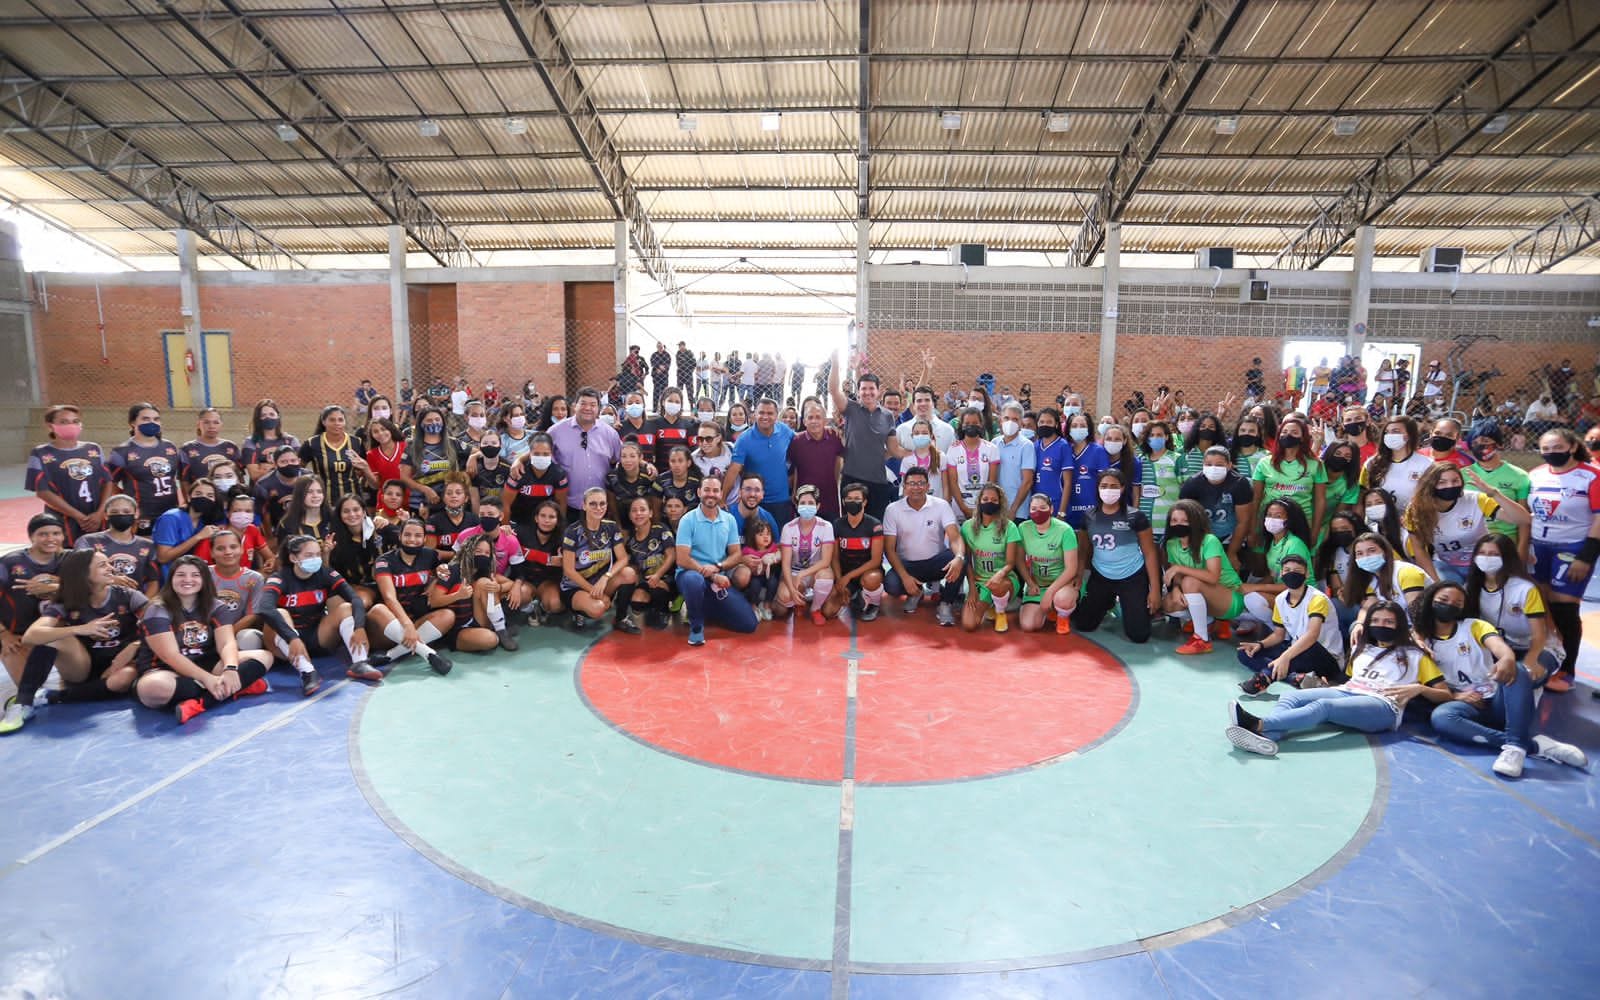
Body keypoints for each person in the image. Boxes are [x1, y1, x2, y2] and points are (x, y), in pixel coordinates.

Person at [1226, 599, 1445, 758]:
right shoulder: (1363, 649)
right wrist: (1327, 684)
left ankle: (1258, 724)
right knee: (1289, 698)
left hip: (1384, 706)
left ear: (1399, 626)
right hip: (1350, 691)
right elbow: (1349, 681)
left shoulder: (1416, 655)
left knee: (1324, 707)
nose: (1381, 625)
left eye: (1388, 622)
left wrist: (1420, 689)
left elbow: (1446, 695)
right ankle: (1269, 737)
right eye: (1376, 621)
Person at [1417, 580, 1586, 778]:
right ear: (1430, 601)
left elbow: (1498, 646)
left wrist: (1506, 658)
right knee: (1441, 718)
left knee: (1519, 670)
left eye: (1457, 603)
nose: (1450, 605)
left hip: (1498, 697)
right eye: (1444, 599)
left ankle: (1515, 747)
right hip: (1468, 704)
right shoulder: (1420, 642)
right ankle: (1531, 745)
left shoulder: (1474, 626)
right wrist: (1456, 695)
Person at [133, 555, 274, 724]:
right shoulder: (157, 609)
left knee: (265, 657)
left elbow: (227, 643)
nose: (188, 580)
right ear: (171, 579)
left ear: (204, 579)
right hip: (166, 669)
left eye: (195, 575)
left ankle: (200, 703)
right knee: (152, 689)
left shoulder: (215, 605)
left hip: (206, 662)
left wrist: (230, 669)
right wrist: (207, 680)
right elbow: (170, 656)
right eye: (181, 575)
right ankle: (237, 688)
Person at [21, 549, 146, 713]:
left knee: (124, 679)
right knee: (51, 637)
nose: (112, 569)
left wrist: (135, 645)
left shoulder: (128, 596)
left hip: (120, 663)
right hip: (81, 667)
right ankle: (22, 702)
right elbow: (30, 636)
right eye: (103, 565)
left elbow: (161, 626)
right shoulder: (69, 601)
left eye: (109, 563)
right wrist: (81, 629)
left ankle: (54, 696)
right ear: (84, 574)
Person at [1526, 428, 1600, 693]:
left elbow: (1599, 518)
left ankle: (1568, 669)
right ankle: (1548, 657)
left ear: (1571, 446)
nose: (1551, 453)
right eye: (1546, 449)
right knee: (1541, 605)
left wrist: (1586, 556)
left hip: (1572, 548)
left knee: (1565, 608)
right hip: (1539, 547)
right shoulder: (1535, 475)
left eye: (1557, 447)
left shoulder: (1591, 476)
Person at [256, 533, 373, 695]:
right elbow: (265, 608)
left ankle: (360, 662)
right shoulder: (280, 578)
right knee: (280, 613)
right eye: (309, 555)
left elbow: (355, 598)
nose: (316, 559)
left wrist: (359, 627)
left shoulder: (325, 573)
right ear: (293, 558)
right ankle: (308, 673)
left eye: (318, 554)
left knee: (346, 607)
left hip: (317, 636)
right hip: (285, 640)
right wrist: (292, 637)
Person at [1070, 470, 1160, 643]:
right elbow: (1083, 551)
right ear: (1097, 488)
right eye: (1104, 486)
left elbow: (1149, 553)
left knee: (1139, 635)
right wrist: (1079, 575)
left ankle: (1129, 603)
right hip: (1101, 575)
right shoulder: (1089, 516)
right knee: (1084, 624)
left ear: (1122, 488)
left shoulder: (1136, 516)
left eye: (1113, 486)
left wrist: (1155, 589)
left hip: (1132, 575)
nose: (1108, 490)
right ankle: (1108, 601)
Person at [1403, 462, 1528, 584]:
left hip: (1481, 562)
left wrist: (1495, 494)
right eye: (1442, 482)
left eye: (1455, 481)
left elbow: (1523, 519)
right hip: (1445, 565)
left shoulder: (1476, 499)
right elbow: (1419, 549)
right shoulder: (1416, 509)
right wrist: (1436, 584)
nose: (1450, 486)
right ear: (1430, 485)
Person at [1236, 554, 1344, 694]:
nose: (1291, 574)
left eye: (1297, 571)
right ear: (1281, 573)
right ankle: (1297, 678)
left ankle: (1264, 678)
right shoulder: (1281, 599)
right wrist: (1260, 644)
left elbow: (1312, 635)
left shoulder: (1317, 599)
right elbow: (1278, 635)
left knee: (1305, 647)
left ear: (1307, 574)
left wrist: (1285, 657)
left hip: (1325, 656)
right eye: (1287, 570)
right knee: (1246, 654)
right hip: (1297, 650)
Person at [367, 518, 466, 667]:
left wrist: (436, 578)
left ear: (425, 538)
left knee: (448, 615)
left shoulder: (430, 555)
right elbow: (389, 598)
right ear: (400, 536)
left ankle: (391, 655)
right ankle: (428, 653)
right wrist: (407, 626)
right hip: (388, 626)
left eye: (418, 536)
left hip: (416, 622)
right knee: (377, 610)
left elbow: (444, 568)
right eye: (407, 535)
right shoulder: (384, 561)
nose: (412, 540)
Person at [0, 514, 66, 732]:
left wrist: (55, 587)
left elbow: (90, 590)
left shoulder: (69, 561)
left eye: (56, 533)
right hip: (17, 636)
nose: (50, 538)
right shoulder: (10, 563)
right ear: (31, 537)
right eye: (43, 534)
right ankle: (20, 701)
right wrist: (3, 634)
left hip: (57, 635)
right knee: (30, 688)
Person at [675, 477, 758, 644]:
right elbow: (682, 559)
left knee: (749, 624)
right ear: (699, 492)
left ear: (721, 494)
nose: (710, 494)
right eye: (706, 490)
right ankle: (696, 626)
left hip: (717, 577)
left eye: (715, 491)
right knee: (694, 581)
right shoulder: (687, 520)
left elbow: (736, 555)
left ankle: (702, 606)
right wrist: (712, 575)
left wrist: (718, 567)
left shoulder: (729, 520)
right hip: (691, 574)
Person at [1465, 533, 1558, 683]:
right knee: (1486, 676)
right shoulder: (1471, 587)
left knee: (1522, 676)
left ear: (1507, 558)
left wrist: (1531, 660)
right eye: (1482, 553)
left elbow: (1539, 635)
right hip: (1501, 648)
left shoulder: (1525, 589)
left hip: (1536, 647)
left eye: (1494, 554)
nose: (1487, 558)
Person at [880, 467, 965, 626]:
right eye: (911, 483)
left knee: (961, 560)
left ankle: (946, 603)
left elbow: (954, 537)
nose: (916, 487)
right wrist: (905, 577)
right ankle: (916, 592)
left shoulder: (941, 505)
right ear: (904, 487)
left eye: (921, 483)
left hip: (936, 562)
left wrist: (959, 556)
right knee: (891, 585)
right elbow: (889, 549)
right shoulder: (893, 510)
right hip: (908, 565)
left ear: (927, 486)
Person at [1163, 500, 1244, 655]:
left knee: (1190, 581)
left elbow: (1213, 577)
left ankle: (1202, 640)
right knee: (1169, 604)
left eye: (1185, 520)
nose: (1178, 524)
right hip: (1202, 593)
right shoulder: (1172, 544)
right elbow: (1177, 575)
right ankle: (1209, 622)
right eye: (1174, 520)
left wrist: (1179, 568)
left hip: (1229, 596)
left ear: (1195, 521)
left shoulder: (1209, 540)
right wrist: (1176, 589)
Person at [828, 360, 904, 519]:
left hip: (878, 481)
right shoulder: (851, 409)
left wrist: (920, 451)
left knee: (876, 525)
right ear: (859, 390)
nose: (867, 392)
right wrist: (835, 361)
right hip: (852, 478)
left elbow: (894, 449)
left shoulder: (887, 416)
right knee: (850, 525)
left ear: (879, 391)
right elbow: (833, 390)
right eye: (863, 389)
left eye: (871, 389)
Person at [28, 404, 113, 544]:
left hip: (97, 519)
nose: (71, 425)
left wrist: (100, 513)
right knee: (68, 559)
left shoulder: (93, 449)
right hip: (63, 520)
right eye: (64, 422)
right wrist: (79, 516)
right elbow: (42, 491)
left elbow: (108, 482)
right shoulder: (40, 453)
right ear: (50, 426)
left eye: (75, 421)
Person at [559, 487, 640, 634]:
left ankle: (621, 618)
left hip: (600, 582)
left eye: (602, 503)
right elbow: (568, 570)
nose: (598, 508)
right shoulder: (572, 532)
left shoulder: (610, 527)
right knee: (597, 609)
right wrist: (592, 590)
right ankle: (578, 612)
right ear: (584, 505)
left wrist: (605, 577)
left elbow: (623, 559)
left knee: (629, 573)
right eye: (593, 504)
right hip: (575, 587)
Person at [106, 402, 185, 533]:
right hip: (143, 515)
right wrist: (127, 501)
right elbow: (110, 484)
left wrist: (181, 503)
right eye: (145, 419)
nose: (152, 422)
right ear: (132, 422)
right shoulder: (121, 451)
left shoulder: (169, 447)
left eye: (156, 419)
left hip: (170, 512)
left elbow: (174, 480)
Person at [548, 387, 623, 525]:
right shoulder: (555, 432)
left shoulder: (610, 434)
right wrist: (519, 461)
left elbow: (623, 459)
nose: (588, 408)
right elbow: (539, 453)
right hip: (568, 505)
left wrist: (646, 465)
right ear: (574, 406)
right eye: (583, 403)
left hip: (599, 507)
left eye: (593, 405)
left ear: (599, 408)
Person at [1251, 417, 1326, 542]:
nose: (1288, 435)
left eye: (1294, 432)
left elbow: (1320, 501)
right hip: (1269, 521)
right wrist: (1253, 528)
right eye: (1284, 432)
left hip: (1301, 522)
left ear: (1302, 438)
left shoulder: (1315, 464)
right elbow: (1256, 498)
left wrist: (1315, 531)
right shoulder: (1265, 463)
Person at [723, 397, 797, 525]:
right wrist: (722, 498)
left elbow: (801, 439)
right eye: (761, 413)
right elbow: (734, 469)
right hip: (754, 501)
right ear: (754, 415)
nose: (765, 417)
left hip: (781, 501)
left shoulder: (784, 431)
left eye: (770, 413)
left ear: (776, 415)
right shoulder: (744, 439)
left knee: (779, 542)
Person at [1179, 446, 1253, 569]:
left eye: (1219, 465)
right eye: (1208, 464)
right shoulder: (1192, 484)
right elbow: (1185, 518)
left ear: (1229, 465)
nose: (1213, 468)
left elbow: (1243, 521)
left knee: (1233, 572)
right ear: (1203, 465)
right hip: (1202, 538)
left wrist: (1232, 553)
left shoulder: (1240, 484)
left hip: (1231, 538)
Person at [960, 483, 1021, 633]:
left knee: (996, 586)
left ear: (1000, 503)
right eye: (985, 499)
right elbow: (967, 561)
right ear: (979, 501)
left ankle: (1000, 612)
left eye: (994, 500)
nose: (989, 502)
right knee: (969, 624)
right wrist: (972, 588)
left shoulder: (1009, 527)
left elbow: (1011, 563)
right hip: (980, 580)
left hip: (1004, 580)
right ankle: (990, 605)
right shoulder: (967, 527)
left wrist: (999, 575)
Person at [1015, 494, 1078, 634]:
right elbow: (1019, 560)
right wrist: (1030, 583)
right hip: (1038, 584)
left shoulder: (1065, 530)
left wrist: (1050, 593)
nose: (1038, 512)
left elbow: (1071, 569)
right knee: (1028, 626)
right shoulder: (1023, 528)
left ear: (1051, 509)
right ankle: (1048, 610)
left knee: (1063, 599)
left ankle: (1062, 616)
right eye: (1034, 508)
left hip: (1062, 584)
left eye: (1043, 508)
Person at [75, 494, 160, 598]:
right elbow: (79, 573)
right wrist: (110, 580)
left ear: (136, 513)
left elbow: (153, 582)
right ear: (106, 515)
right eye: (114, 512)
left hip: (135, 603)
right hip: (96, 602)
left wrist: (143, 605)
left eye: (126, 512)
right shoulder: (88, 541)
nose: (121, 515)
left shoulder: (148, 546)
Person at [822, 482, 885, 621]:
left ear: (865, 502)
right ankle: (856, 596)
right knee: (828, 611)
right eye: (849, 499)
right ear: (843, 501)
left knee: (871, 579)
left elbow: (875, 560)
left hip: (867, 572)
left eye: (857, 498)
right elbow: (834, 558)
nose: (853, 502)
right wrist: (839, 581)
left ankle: (873, 603)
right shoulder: (837, 524)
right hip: (844, 574)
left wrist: (848, 577)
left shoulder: (875, 525)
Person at [779, 485, 836, 625]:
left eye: (811, 503)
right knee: (785, 597)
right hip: (794, 572)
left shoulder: (826, 526)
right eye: (803, 503)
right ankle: (799, 601)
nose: (806, 506)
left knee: (826, 577)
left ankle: (815, 608)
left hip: (815, 571)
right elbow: (785, 563)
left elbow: (826, 562)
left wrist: (802, 574)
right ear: (797, 505)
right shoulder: (788, 528)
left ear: (818, 506)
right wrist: (792, 590)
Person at [151, 477, 226, 580]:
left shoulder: (204, 522)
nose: (204, 498)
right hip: (167, 578)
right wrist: (198, 537)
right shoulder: (171, 518)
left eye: (210, 496)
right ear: (189, 497)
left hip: (192, 577)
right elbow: (163, 557)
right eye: (198, 494)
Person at [1466, 426, 1529, 547]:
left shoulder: (1520, 476)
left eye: (1485, 441)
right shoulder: (1462, 475)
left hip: (1506, 541)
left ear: (1499, 444)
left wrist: (1522, 551)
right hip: (1471, 543)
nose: (1480, 446)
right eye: (1475, 443)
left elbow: (1524, 522)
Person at [621, 497, 676, 630]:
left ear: (650, 513)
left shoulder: (660, 529)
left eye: (642, 509)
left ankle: (664, 610)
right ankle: (653, 607)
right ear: (629, 515)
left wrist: (658, 575)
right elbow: (635, 566)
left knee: (657, 588)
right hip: (648, 580)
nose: (638, 513)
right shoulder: (631, 541)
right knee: (636, 602)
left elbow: (672, 555)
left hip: (669, 578)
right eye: (634, 511)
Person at [299, 405, 370, 506]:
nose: (337, 423)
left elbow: (363, 470)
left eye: (340, 420)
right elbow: (298, 468)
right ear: (323, 422)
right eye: (332, 420)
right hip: (324, 501)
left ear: (345, 422)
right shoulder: (312, 443)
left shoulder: (356, 442)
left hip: (353, 500)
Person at [1361, 416, 1432, 515]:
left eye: (1396, 431)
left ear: (1409, 435)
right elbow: (1362, 494)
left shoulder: (1427, 464)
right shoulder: (1371, 463)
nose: (1390, 435)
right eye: (1387, 432)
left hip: (1413, 521)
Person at [511, 499, 565, 624]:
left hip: (548, 581)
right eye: (543, 516)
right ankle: (530, 608)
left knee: (555, 605)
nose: (546, 520)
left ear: (557, 521)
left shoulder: (563, 538)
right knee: (520, 596)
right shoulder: (521, 532)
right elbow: (505, 543)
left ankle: (541, 607)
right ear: (536, 518)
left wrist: (564, 561)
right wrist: (548, 559)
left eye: (551, 517)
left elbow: (571, 563)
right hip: (525, 579)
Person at [789, 404, 845, 519]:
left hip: (829, 499)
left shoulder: (834, 437)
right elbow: (795, 469)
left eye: (818, 417)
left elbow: (838, 465)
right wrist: (794, 492)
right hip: (805, 501)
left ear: (825, 420)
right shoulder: (796, 441)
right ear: (804, 421)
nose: (814, 421)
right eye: (810, 417)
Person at [945, 407, 1001, 522]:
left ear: (981, 424)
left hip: (985, 506)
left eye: (975, 423)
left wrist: (982, 506)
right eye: (967, 423)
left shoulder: (991, 449)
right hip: (959, 508)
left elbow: (992, 482)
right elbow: (953, 482)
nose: (971, 426)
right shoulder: (953, 449)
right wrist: (964, 508)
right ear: (962, 425)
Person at [503, 435, 569, 530]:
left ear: (551, 454)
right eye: (536, 454)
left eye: (545, 454)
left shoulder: (558, 474)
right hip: (519, 521)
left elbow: (561, 503)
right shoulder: (519, 472)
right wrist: (505, 528)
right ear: (529, 454)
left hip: (545, 523)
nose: (541, 457)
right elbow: (506, 503)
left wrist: (559, 528)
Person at [326, 494, 381, 608]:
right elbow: (328, 573)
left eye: (356, 510)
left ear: (364, 511)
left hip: (385, 583)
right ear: (340, 515)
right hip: (356, 587)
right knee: (361, 602)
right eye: (346, 511)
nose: (352, 514)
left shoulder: (378, 529)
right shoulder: (334, 539)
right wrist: (326, 553)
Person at [991, 403, 1037, 522]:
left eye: (1015, 419)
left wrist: (1013, 509)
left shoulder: (1026, 446)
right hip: (996, 508)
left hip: (1018, 511)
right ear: (1001, 419)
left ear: (1021, 423)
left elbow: (1027, 481)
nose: (1010, 422)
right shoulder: (994, 443)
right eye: (1006, 418)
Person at [180, 408, 243, 486]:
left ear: (221, 425)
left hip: (228, 496)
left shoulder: (231, 447)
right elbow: (184, 480)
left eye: (216, 422)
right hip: (202, 495)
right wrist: (190, 498)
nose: (211, 426)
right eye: (206, 422)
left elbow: (240, 477)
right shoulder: (187, 448)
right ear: (198, 424)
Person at [242, 398, 300, 483]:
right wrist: (284, 466)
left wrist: (268, 468)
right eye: (263, 415)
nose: (268, 418)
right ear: (258, 419)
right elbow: (254, 475)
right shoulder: (250, 442)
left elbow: (297, 471)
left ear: (278, 416)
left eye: (272, 414)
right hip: (261, 489)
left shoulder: (292, 441)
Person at [253, 445, 303, 537]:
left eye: (293, 461)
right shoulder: (263, 485)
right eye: (284, 462)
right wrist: (269, 537)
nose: (290, 464)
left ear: (299, 461)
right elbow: (261, 514)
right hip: (276, 528)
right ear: (275, 464)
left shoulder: (309, 478)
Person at [740, 517, 781, 620]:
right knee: (755, 584)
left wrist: (774, 558)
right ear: (753, 537)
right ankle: (753, 606)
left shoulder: (772, 548)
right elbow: (741, 560)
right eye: (761, 535)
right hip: (754, 577)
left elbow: (779, 553)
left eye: (768, 534)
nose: (765, 537)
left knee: (773, 582)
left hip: (768, 575)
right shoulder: (748, 551)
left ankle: (767, 605)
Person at [646, 387, 697, 470]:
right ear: (663, 402)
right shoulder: (653, 425)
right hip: (661, 473)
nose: (674, 404)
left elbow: (694, 452)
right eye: (670, 401)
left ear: (681, 405)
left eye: (677, 402)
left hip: (682, 473)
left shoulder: (688, 425)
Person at [898, 417, 945, 499]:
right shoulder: (907, 459)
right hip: (914, 506)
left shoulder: (940, 456)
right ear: (912, 436)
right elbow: (905, 488)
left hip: (937, 506)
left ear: (931, 436)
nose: (920, 435)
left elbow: (946, 486)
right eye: (916, 433)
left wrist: (945, 505)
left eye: (924, 433)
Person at [650, 342, 673, 409]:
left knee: (664, 392)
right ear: (657, 347)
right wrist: (659, 367)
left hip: (664, 376)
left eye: (661, 346)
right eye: (658, 346)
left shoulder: (667, 355)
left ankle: (664, 407)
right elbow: (652, 363)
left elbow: (668, 364)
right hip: (656, 376)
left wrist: (662, 368)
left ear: (663, 346)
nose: (659, 347)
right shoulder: (654, 354)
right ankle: (654, 407)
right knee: (656, 391)